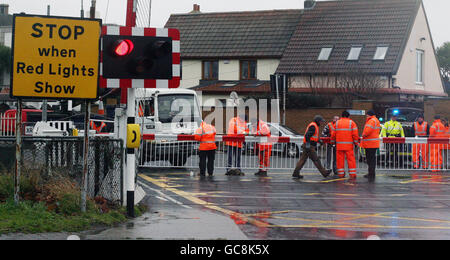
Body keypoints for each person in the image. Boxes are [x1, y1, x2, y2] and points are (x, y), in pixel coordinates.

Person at [331, 111, 360, 179]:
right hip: (349, 146)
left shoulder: (337, 123)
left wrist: (332, 142)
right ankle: (352, 175)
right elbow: (355, 135)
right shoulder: (352, 123)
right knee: (351, 160)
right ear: (348, 116)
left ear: (342, 116)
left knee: (340, 161)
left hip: (339, 146)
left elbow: (333, 135)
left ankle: (341, 174)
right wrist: (356, 143)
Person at [361, 110, 381, 182]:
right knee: (372, 159)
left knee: (370, 159)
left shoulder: (371, 121)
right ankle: (371, 173)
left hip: (370, 143)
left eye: (367, 115)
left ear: (369, 115)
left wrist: (363, 135)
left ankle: (371, 173)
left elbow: (367, 131)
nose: (366, 116)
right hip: (373, 143)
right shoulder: (375, 120)